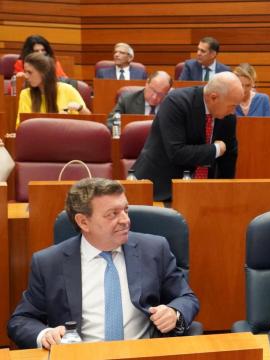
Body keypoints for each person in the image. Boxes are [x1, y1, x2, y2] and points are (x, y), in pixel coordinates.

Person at [7, 178, 200, 349]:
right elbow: (21, 320)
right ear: (83, 222)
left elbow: (186, 297)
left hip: (143, 353)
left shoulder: (154, 248)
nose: (125, 220)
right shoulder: (49, 263)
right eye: (112, 214)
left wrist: (174, 313)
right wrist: (44, 335)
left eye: (125, 210)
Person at [133, 72, 243, 201]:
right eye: (232, 106)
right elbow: (177, 153)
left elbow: (229, 156)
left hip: (202, 190)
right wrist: (216, 149)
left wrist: (225, 193)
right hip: (161, 188)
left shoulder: (228, 117)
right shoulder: (176, 102)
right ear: (213, 98)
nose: (233, 111)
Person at [16, 53, 90, 129]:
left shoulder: (68, 90)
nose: (26, 76)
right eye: (25, 72)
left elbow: (89, 122)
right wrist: (56, 121)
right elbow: (21, 127)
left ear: (44, 73)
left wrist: (80, 108)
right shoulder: (25, 94)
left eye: (30, 72)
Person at [106, 71, 172, 130]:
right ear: (147, 83)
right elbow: (111, 122)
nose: (154, 97)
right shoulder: (128, 100)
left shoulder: (172, 104)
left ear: (167, 92)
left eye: (160, 94)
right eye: (153, 90)